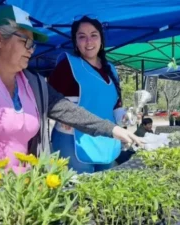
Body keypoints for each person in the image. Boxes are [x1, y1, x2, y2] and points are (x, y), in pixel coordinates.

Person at [0, 5, 141, 174]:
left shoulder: (33, 83)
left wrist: (113, 130)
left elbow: (67, 110)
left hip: (22, 188)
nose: (31, 50)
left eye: (33, 44)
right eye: (26, 41)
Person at [48, 16, 129, 173]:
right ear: (76, 42)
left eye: (93, 35)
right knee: (79, 193)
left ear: (101, 39)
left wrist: (124, 115)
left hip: (106, 140)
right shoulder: (67, 66)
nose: (89, 42)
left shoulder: (110, 69)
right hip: (73, 141)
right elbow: (50, 102)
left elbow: (115, 105)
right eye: (82, 37)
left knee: (104, 191)